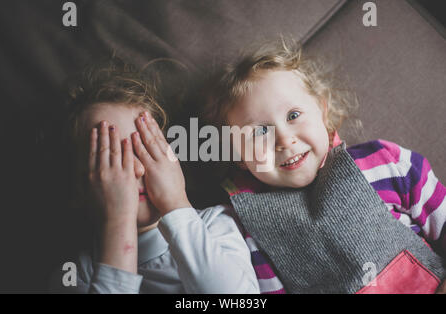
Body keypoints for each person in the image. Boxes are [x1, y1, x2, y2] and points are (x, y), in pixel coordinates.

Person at [202, 40, 446, 294]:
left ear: (322, 110)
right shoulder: (251, 237)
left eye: (293, 115)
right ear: (238, 155)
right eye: (261, 131)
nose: (285, 139)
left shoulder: (385, 163)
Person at [50, 58, 259, 294]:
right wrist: (119, 222)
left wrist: (175, 203)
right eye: (111, 159)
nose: (137, 170)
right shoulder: (76, 276)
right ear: (77, 188)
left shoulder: (214, 224)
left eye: (146, 149)